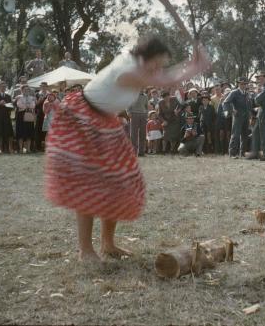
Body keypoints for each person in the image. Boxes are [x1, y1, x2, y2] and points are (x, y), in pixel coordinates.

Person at [45, 37, 209, 262]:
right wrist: (195, 66)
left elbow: (162, 75)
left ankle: (108, 244)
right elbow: (164, 79)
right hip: (82, 118)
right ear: (146, 59)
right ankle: (85, 249)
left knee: (119, 181)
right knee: (90, 183)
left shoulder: (139, 67)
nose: (159, 68)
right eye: (158, 63)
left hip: (104, 121)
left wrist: (192, 65)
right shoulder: (129, 70)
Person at [248, 71, 265, 161]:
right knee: (255, 133)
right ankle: (255, 153)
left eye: (261, 78)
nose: (259, 80)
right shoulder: (264, 88)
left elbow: (256, 99)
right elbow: (257, 100)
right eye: (259, 79)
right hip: (261, 113)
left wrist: (256, 98)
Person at [224, 77, 251, 158]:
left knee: (245, 135)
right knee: (235, 135)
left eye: (245, 84)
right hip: (238, 117)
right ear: (238, 84)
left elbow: (249, 105)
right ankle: (232, 153)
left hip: (246, 117)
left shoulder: (246, 93)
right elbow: (226, 103)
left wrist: (250, 114)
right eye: (241, 83)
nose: (243, 85)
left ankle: (242, 153)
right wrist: (232, 110)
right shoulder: (234, 92)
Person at [0, 81, 14, 154]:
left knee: (6, 135)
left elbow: (11, 108)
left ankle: (6, 150)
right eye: (2, 86)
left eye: (5, 87)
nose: (3, 88)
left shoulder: (8, 96)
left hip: (6, 118)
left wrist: (7, 105)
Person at [15, 85, 36, 153]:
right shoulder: (19, 97)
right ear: (22, 90)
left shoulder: (32, 97)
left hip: (29, 115)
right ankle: (21, 149)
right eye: (25, 89)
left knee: (29, 133)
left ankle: (28, 149)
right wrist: (27, 106)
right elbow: (19, 105)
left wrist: (26, 106)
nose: (26, 91)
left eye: (27, 90)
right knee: (21, 133)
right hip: (21, 116)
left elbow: (33, 105)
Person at [128, 90, 148, 157]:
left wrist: (146, 113)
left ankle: (141, 152)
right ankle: (133, 152)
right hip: (134, 114)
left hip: (143, 115)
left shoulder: (145, 96)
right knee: (134, 134)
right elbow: (128, 104)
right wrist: (128, 112)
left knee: (143, 133)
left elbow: (146, 106)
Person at [34, 82, 49, 152]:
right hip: (39, 114)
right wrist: (39, 101)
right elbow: (35, 106)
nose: (43, 87)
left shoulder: (49, 95)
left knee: (46, 131)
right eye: (42, 86)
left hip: (47, 115)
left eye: (44, 86)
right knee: (38, 130)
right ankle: (38, 147)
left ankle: (46, 147)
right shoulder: (37, 94)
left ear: (46, 87)